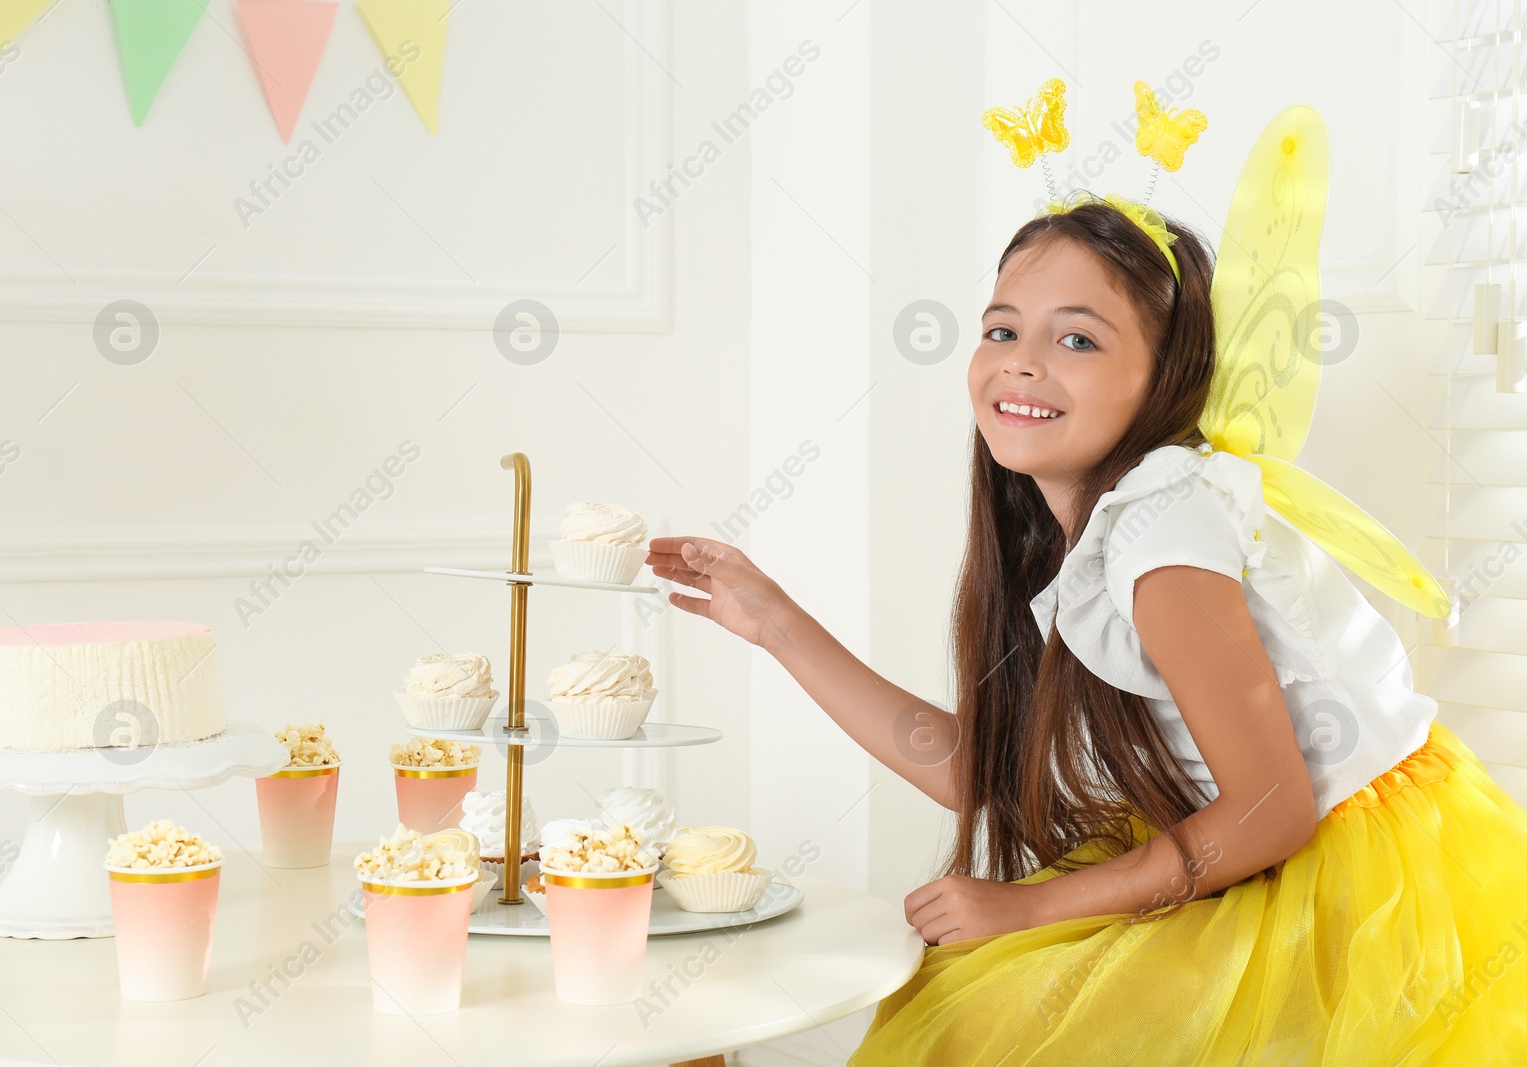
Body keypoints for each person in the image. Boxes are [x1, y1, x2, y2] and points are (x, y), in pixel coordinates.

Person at [643, 97, 1527, 1064]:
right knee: (975, 1001)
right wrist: (775, 622)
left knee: (997, 1020)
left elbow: (1271, 807)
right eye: (1002, 329)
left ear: (1167, 378)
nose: (1021, 366)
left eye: (1077, 340)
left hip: (1344, 865)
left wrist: (1029, 904)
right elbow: (980, 773)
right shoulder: (1085, 533)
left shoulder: (1164, 528)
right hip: (1252, 839)